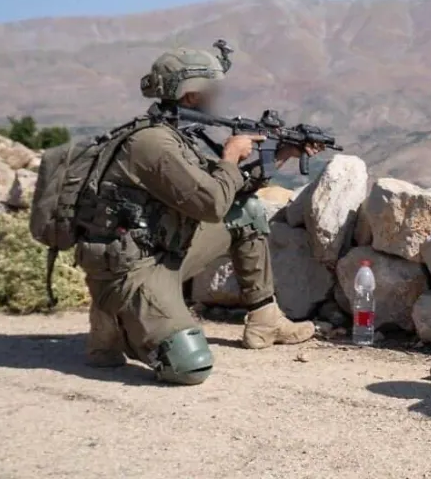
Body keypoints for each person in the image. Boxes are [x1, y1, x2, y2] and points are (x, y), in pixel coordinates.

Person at [73, 47, 315, 385]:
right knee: (189, 366)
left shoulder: (170, 134)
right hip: (132, 269)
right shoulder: (153, 144)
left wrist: (283, 154)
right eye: (210, 89)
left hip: (160, 253)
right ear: (189, 94)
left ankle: (266, 321)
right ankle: (114, 321)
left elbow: (229, 192)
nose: (216, 97)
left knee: (245, 212)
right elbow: (211, 204)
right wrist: (231, 156)